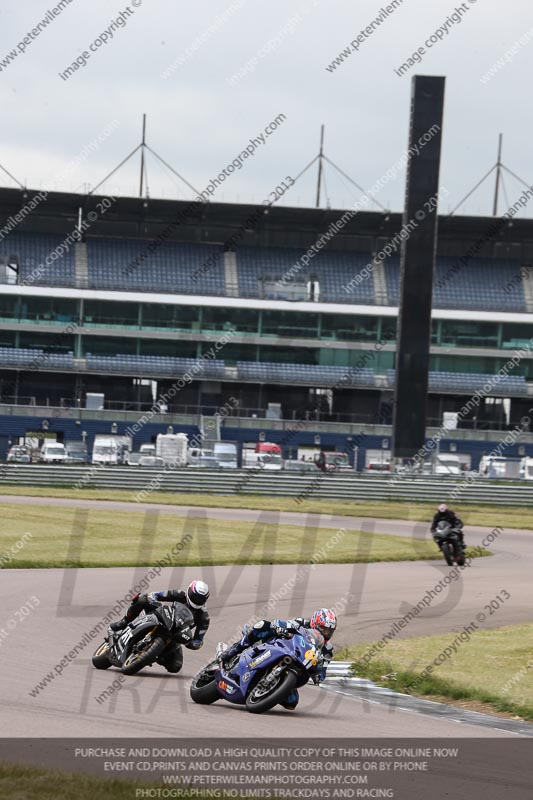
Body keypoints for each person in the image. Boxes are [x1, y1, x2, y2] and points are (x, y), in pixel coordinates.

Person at [219, 608, 337, 710]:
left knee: (292, 703)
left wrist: (318, 676)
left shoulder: (328, 649)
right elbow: (285, 623)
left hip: (298, 666)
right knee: (262, 625)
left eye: (330, 631)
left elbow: (323, 669)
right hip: (281, 646)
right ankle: (232, 651)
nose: (326, 633)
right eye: (324, 629)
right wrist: (279, 627)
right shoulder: (301, 623)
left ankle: (267, 692)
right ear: (314, 623)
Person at [109, 580, 210, 673]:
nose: (197, 600)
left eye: (200, 599)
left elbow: (199, 640)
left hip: (175, 636)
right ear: (189, 591)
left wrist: (191, 643)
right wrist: (153, 598)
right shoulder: (180, 595)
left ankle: (155, 655)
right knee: (142, 599)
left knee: (175, 667)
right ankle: (124, 622)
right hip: (163, 618)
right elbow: (158, 595)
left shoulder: (204, 617)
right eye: (195, 596)